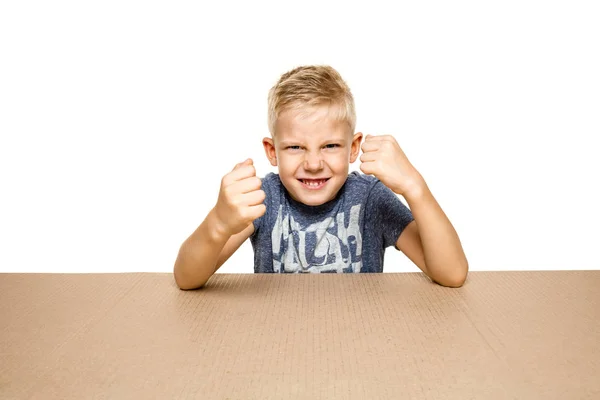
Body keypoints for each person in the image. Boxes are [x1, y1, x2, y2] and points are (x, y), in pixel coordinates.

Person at [173, 65, 468, 289]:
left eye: (330, 146)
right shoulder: (265, 199)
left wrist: (415, 188)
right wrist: (219, 222)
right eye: (295, 147)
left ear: (353, 147)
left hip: (359, 342)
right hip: (275, 343)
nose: (313, 163)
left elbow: (452, 274)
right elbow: (187, 278)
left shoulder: (370, 198)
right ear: (272, 151)